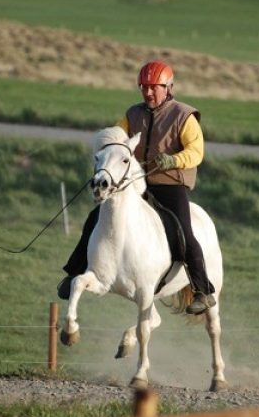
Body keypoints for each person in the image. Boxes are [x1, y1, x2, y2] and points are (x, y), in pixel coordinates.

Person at [57, 60, 216, 315]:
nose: (148, 92)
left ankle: (202, 290)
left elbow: (196, 152)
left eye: (154, 87)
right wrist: (105, 162)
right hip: (136, 183)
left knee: (184, 231)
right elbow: (117, 140)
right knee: (95, 218)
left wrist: (174, 160)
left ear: (168, 87)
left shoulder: (184, 116)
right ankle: (74, 272)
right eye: (144, 87)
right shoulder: (132, 114)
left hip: (171, 184)